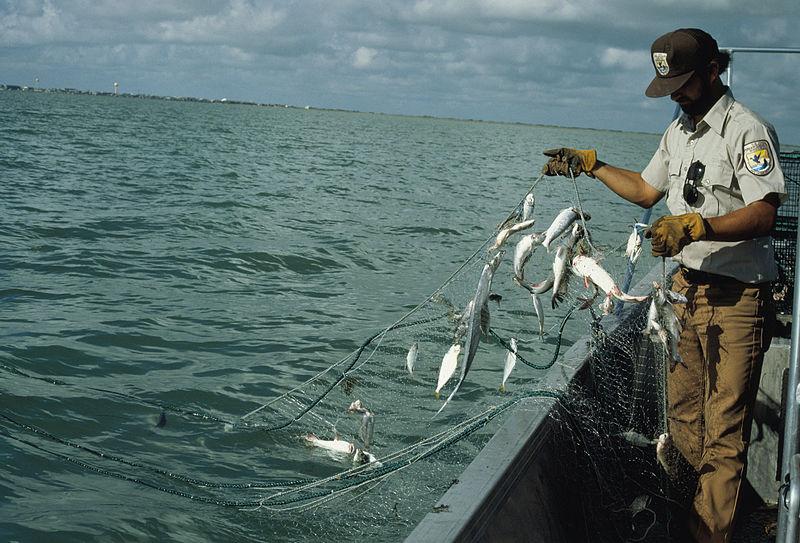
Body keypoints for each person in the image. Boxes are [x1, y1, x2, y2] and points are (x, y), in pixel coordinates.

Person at [542, 28, 786, 543]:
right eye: (667, 83)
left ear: (714, 70)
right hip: (684, 295)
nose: (674, 92)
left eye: (682, 82)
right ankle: (692, 520)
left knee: (722, 433)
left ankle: (708, 534)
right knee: (681, 420)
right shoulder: (679, 130)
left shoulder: (747, 131)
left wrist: (700, 226)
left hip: (736, 299)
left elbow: (765, 212)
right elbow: (648, 191)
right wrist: (594, 165)